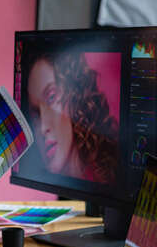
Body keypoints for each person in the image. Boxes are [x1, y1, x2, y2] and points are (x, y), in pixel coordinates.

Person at [24, 51, 118, 183]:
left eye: (51, 97)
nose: (43, 128)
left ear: (74, 93)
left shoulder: (112, 176)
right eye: (35, 112)